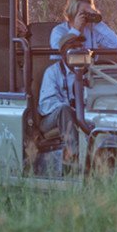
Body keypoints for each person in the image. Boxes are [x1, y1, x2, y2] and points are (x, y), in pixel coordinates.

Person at [38, 33, 83, 171]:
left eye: (80, 46)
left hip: (79, 116)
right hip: (51, 119)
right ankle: (75, 157)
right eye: (73, 47)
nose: (78, 50)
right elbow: (46, 104)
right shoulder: (52, 72)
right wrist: (73, 111)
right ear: (64, 52)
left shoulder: (86, 71)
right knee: (64, 109)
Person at [49, 0, 117, 59]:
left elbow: (115, 45)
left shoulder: (92, 30)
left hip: (88, 70)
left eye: (89, 12)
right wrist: (76, 30)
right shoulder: (59, 30)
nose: (86, 16)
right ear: (73, 12)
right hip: (65, 70)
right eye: (83, 12)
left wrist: (97, 23)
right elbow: (58, 51)